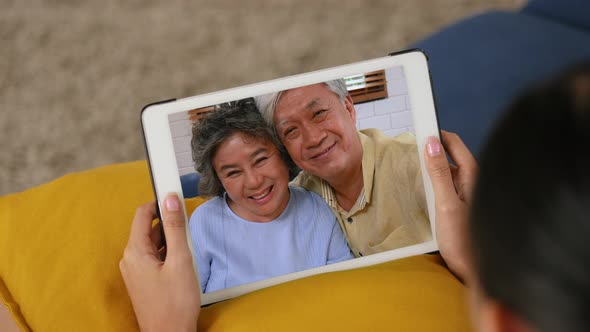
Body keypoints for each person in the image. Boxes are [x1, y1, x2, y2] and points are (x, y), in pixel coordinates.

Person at [189, 98, 353, 293]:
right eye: (233, 172)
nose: (254, 181)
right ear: (219, 179)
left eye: (260, 160)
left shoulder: (320, 210)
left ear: (284, 154)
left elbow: (346, 287)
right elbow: (186, 302)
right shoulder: (204, 221)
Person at [255, 80, 432, 257]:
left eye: (319, 113)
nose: (313, 139)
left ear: (348, 109)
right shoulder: (296, 198)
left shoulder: (417, 163)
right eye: (291, 130)